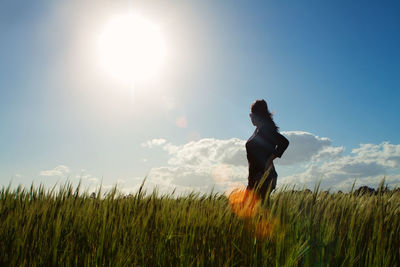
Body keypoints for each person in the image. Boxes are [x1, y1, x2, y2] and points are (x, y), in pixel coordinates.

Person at [245, 99, 289, 202]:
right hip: (256, 177)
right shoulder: (259, 130)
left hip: (264, 177)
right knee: (251, 211)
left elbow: (284, 143)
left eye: (251, 115)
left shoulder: (266, 130)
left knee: (256, 212)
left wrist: (269, 160)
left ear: (257, 115)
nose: (250, 118)